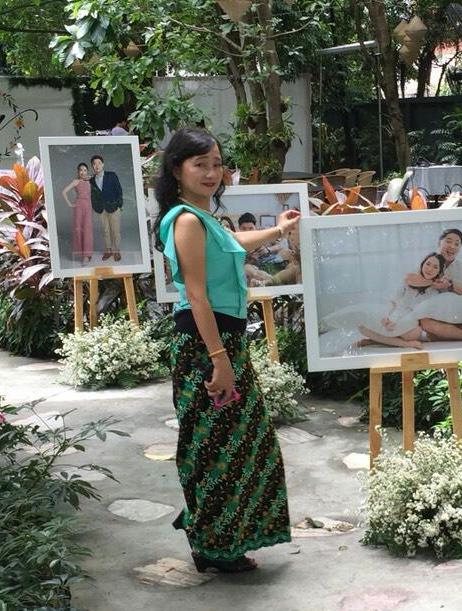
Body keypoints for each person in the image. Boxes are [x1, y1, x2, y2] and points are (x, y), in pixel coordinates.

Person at [154, 127, 300, 573]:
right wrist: (219, 360)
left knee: (241, 443)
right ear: (177, 170)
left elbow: (235, 245)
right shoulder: (185, 221)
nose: (211, 173)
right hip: (206, 347)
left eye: (216, 164)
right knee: (215, 447)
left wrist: (280, 229)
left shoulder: (204, 218)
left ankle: (217, 540)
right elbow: (196, 295)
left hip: (223, 342)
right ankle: (213, 545)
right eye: (200, 164)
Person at [356, 252, 446, 350]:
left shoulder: (434, 293)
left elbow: (419, 316)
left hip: (410, 323)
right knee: (361, 327)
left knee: (414, 333)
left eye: (435, 267)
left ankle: (384, 341)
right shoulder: (409, 280)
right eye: (428, 264)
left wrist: (397, 322)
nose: (430, 269)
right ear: (422, 264)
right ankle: (400, 343)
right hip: (395, 314)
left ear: (439, 272)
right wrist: (387, 316)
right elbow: (393, 301)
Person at [414, 229, 462, 340]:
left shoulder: (460, 267)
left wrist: (450, 285)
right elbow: (411, 280)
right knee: (425, 323)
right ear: (439, 242)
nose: (452, 246)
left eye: (457, 244)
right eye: (448, 241)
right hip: (434, 314)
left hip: (456, 311)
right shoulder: (428, 262)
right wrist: (433, 281)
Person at [90, 155, 123, 261]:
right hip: (101, 209)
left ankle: (116, 251)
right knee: (105, 230)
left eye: (99, 163)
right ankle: (108, 251)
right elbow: (92, 195)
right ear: (92, 166)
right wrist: (95, 206)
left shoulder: (111, 175)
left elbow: (119, 190)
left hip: (113, 207)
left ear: (103, 164)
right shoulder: (91, 180)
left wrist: (119, 204)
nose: (97, 166)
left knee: (115, 231)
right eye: (94, 164)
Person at [62, 162, 93, 263]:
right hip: (79, 206)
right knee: (78, 229)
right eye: (81, 170)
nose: (83, 172)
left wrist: (89, 178)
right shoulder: (75, 181)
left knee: (87, 229)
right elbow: (64, 192)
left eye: (85, 170)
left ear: (87, 171)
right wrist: (70, 204)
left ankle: (87, 255)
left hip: (88, 206)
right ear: (78, 171)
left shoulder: (90, 180)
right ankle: (80, 254)